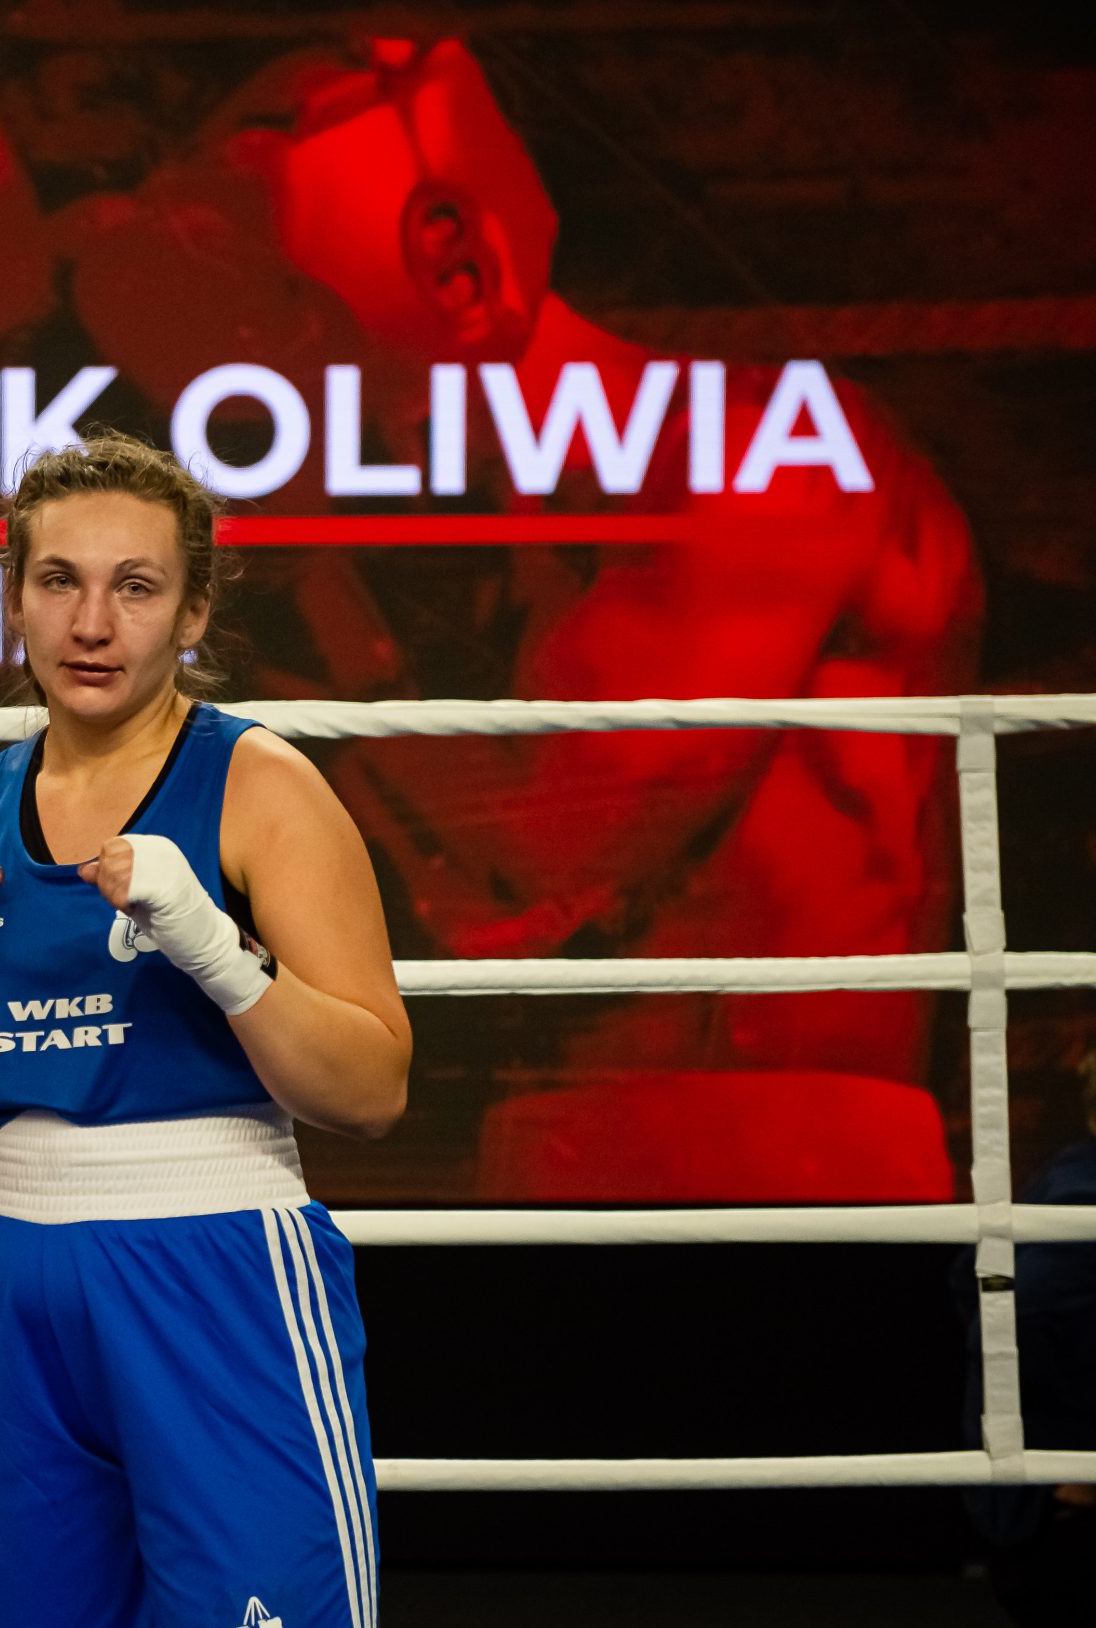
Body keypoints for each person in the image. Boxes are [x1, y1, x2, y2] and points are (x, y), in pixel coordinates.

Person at [66, 33, 978, 1202]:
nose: (283, 393)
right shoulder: (526, 553)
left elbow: (551, 847)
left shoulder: (767, 463)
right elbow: (474, 914)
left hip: (780, 1143)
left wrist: (282, 605)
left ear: (449, 259)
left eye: (289, 315)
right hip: (555, 1151)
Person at [0, 433, 410, 1628]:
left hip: (214, 1266)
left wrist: (219, 955)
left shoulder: (258, 787)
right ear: (13, 598)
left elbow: (373, 1090)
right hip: (14, 1272)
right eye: (58, 581)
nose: (92, 623)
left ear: (193, 611)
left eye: (136, 586)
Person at [956, 1050, 1096, 1628]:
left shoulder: (1068, 1176)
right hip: (1069, 1526)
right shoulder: (1080, 1194)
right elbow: (1010, 1311)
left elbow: (972, 1283)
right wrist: (1068, 1465)